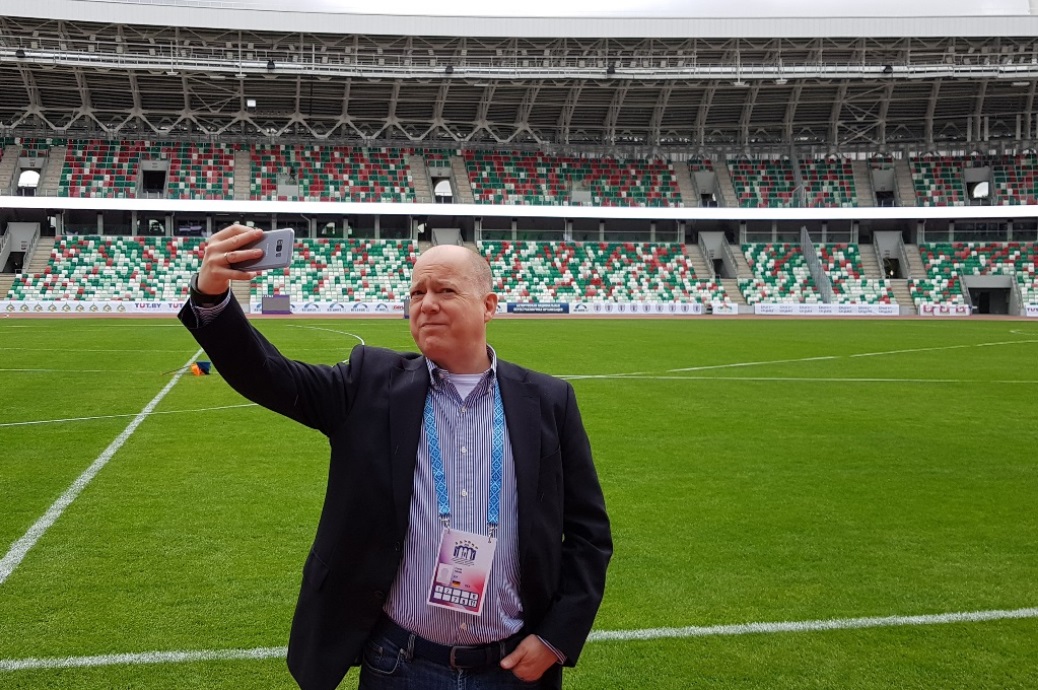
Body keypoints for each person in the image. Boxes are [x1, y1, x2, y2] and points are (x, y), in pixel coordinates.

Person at [179, 224, 612, 690]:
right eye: (417, 292)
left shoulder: (548, 400)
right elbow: (269, 376)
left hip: (511, 670)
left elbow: (588, 534)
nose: (427, 303)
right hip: (398, 665)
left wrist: (556, 638)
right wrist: (212, 297)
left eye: (445, 290)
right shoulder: (369, 383)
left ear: (488, 306)